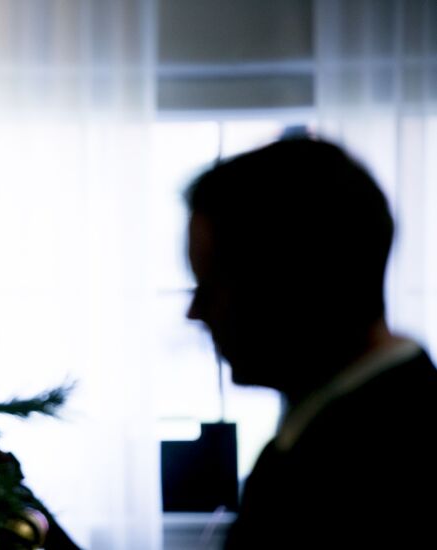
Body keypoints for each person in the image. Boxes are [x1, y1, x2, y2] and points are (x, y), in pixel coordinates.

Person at [184, 138, 437, 548]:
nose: (194, 313)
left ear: (293, 284)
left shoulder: (369, 473)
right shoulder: (347, 432)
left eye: (211, 287)